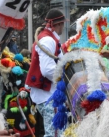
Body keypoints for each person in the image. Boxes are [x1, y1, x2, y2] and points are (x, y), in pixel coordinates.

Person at [25, 9, 65, 137]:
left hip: (48, 94)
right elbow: (47, 70)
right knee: (54, 134)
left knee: (56, 133)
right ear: (57, 24)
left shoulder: (48, 38)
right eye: (62, 24)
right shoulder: (48, 40)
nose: (63, 27)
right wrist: (66, 79)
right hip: (49, 95)